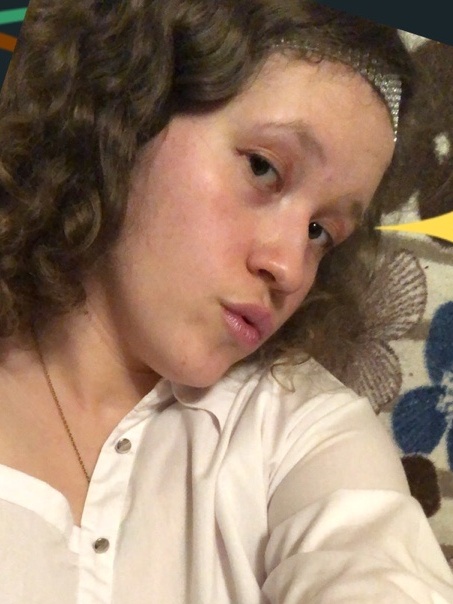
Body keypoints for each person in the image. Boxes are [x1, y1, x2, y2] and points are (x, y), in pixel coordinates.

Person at [0, 0, 452, 602]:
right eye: (264, 168)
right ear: (127, 111)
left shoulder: (303, 427)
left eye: (321, 231)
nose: (289, 267)